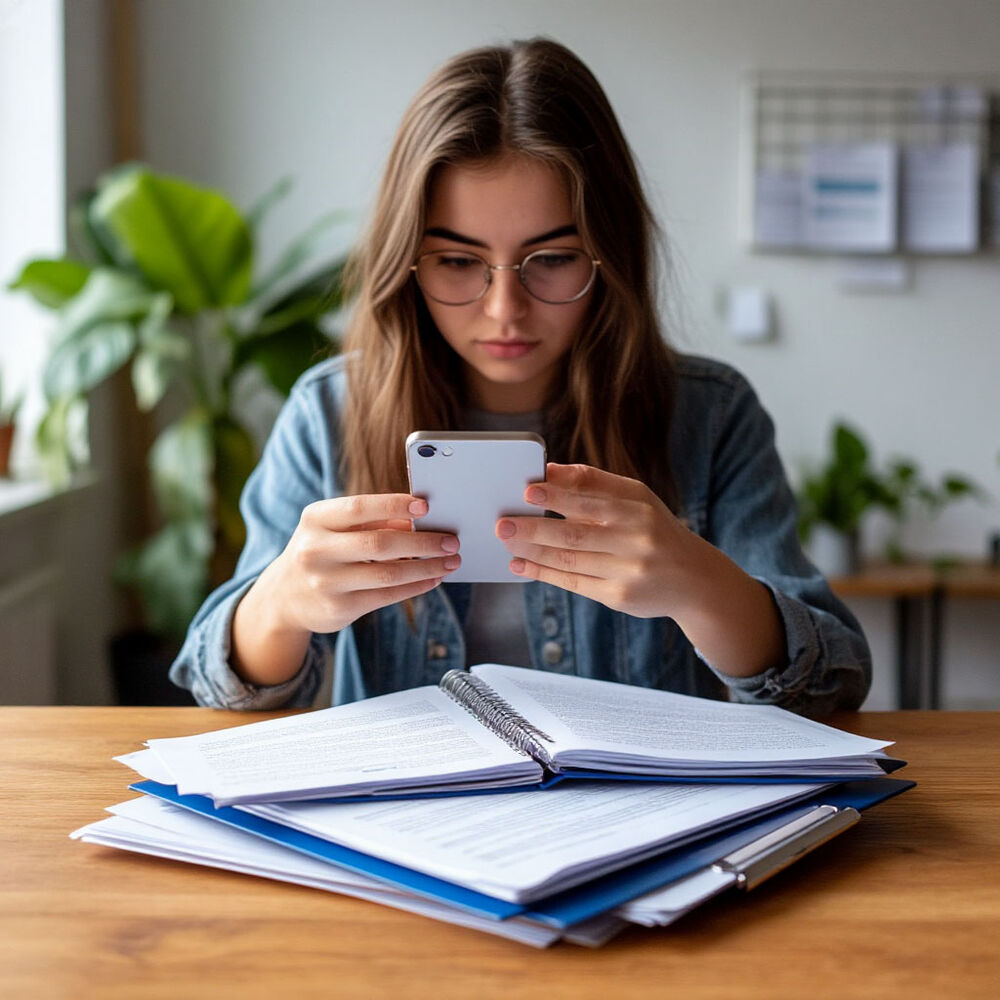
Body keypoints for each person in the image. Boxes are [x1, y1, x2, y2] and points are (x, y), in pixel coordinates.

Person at [170, 37, 870, 717]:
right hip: (406, 824)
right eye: (457, 262)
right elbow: (224, 685)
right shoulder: (329, 413)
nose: (505, 309)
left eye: (553, 258)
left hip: (642, 820)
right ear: (406, 264)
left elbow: (830, 689)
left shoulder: (710, 416)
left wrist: (698, 583)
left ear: (609, 255)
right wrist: (283, 603)